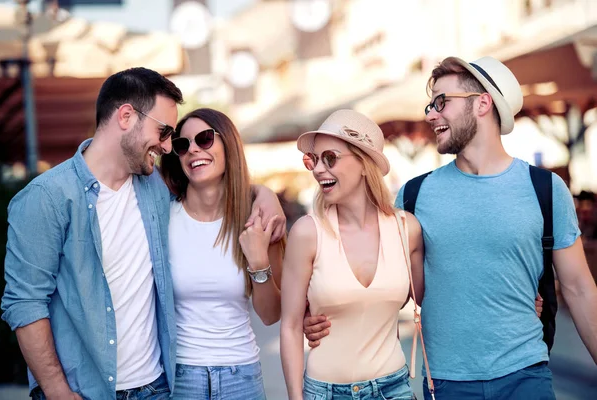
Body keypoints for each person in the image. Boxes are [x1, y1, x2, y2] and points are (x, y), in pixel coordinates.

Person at [306, 56, 597, 400]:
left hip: (526, 376)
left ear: (483, 103)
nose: (430, 114)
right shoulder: (413, 196)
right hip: (444, 384)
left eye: (441, 102)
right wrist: (322, 312)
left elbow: (579, 288)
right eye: (430, 105)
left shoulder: (545, 190)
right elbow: (380, 282)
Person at [1, 68, 285, 400]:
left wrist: (263, 194)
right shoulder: (46, 197)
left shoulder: (152, 189)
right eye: (165, 133)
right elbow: (25, 303)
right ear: (126, 116)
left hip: (158, 388)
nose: (168, 147)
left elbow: (212, 189)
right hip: (84, 391)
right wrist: (56, 390)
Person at [280, 109, 424, 400]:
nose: (319, 169)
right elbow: (291, 326)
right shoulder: (307, 233)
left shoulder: (406, 229)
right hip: (324, 392)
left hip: (393, 389)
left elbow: (431, 299)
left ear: (363, 163)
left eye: (330, 158)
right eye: (314, 160)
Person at [159, 108, 284, 400]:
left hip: (240, 376)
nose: (193, 150)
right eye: (182, 144)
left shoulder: (258, 221)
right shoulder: (163, 219)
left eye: (204, 139)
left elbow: (271, 315)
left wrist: (258, 262)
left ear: (228, 144)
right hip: (180, 378)